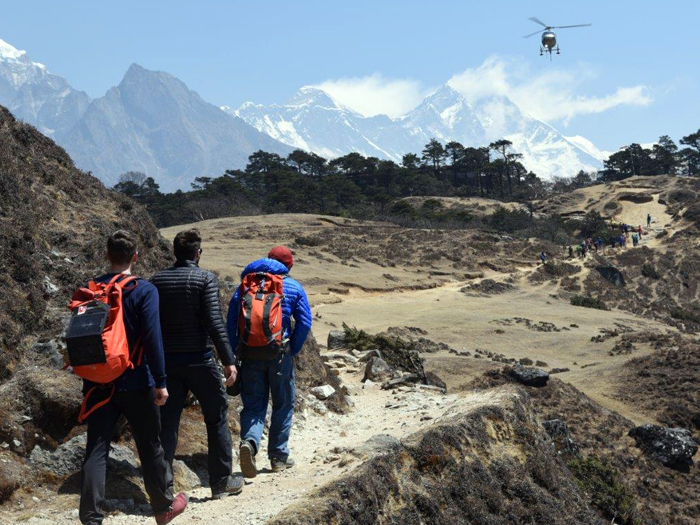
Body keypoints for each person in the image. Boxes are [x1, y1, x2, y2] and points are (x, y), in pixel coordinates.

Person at [77, 231, 187, 525]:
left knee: (96, 449)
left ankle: (90, 518)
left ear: (106, 255)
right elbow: (153, 338)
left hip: (98, 382)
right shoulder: (143, 290)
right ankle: (163, 508)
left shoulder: (91, 288)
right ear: (134, 257)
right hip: (136, 380)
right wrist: (161, 382)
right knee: (150, 445)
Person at [151, 229, 245, 500]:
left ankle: (163, 489)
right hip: (201, 361)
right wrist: (229, 361)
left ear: (175, 252)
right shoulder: (205, 278)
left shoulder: (157, 280)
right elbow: (215, 323)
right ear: (198, 253)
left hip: (167, 363)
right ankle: (220, 484)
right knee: (216, 419)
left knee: (167, 424)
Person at [227, 246, 312, 478]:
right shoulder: (293, 287)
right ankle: (278, 457)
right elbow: (304, 322)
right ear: (289, 266)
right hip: (280, 354)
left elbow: (231, 320)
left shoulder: (246, 286)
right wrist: (291, 348)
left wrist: (234, 353)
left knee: (254, 405)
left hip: (250, 354)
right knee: (283, 404)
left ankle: (250, 443)